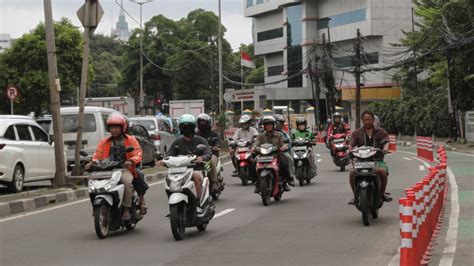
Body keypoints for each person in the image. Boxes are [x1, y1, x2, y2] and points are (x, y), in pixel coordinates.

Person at [85, 113, 143, 220]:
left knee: (127, 182)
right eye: (111, 127)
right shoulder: (104, 142)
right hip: (106, 170)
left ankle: (126, 209)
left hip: (124, 169)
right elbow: (97, 155)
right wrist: (92, 163)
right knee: (92, 184)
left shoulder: (130, 139)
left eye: (116, 127)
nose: (113, 129)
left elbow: (138, 153)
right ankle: (96, 207)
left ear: (122, 128)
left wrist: (131, 160)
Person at [157, 114, 212, 213]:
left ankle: (198, 203)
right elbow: (169, 155)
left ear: (193, 127)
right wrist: (163, 161)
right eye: (183, 127)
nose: (186, 129)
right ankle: (173, 204)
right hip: (180, 171)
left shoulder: (200, 140)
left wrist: (201, 157)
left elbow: (208, 153)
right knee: (168, 178)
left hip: (197, 169)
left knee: (195, 176)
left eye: (188, 127)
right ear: (180, 128)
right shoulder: (177, 142)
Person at [348, 110, 392, 204]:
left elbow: (386, 142)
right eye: (365, 120)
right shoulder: (357, 133)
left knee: (382, 171)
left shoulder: (380, 131)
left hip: (377, 160)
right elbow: (351, 144)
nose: (367, 121)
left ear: (373, 120)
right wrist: (350, 150)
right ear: (362, 120)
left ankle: (382, 194)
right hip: (361, 161)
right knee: (352, 173)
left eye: (369, 119)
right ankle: (356, 196)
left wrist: (385, 149)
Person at [252, 116, 293, 193]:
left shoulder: (279, 134)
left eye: (270, 124)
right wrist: (253, 148)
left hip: (276, 154)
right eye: (267, 125)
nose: (268, 126)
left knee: (284, 162)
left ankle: (285, 182)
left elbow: (284, 144)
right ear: (264, 126)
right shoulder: (260, 136)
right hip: (263, 155)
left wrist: (283, 147)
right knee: (253, 163)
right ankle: (257, 183)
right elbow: (256, 144)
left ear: (273, 125)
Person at [196, 113, 221, 192]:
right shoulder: (196, 135)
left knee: (211, 161)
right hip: (200, 155)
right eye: (200, 122)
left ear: (208, 123)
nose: (201, 124)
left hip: (212, 154)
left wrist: (216, 146)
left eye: (203, 122)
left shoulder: (213, 134)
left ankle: (214, 181)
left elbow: (217, 142)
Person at [274, 114, 296, 186]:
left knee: (289, 159)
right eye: (278, 123)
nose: (280, 125)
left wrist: (285, 146)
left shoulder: (283, 133)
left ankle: (291, 177)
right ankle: (257, 180)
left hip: (280, 152)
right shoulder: (265, 133)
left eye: (281, 123)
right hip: (268, 153)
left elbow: (289, 141)